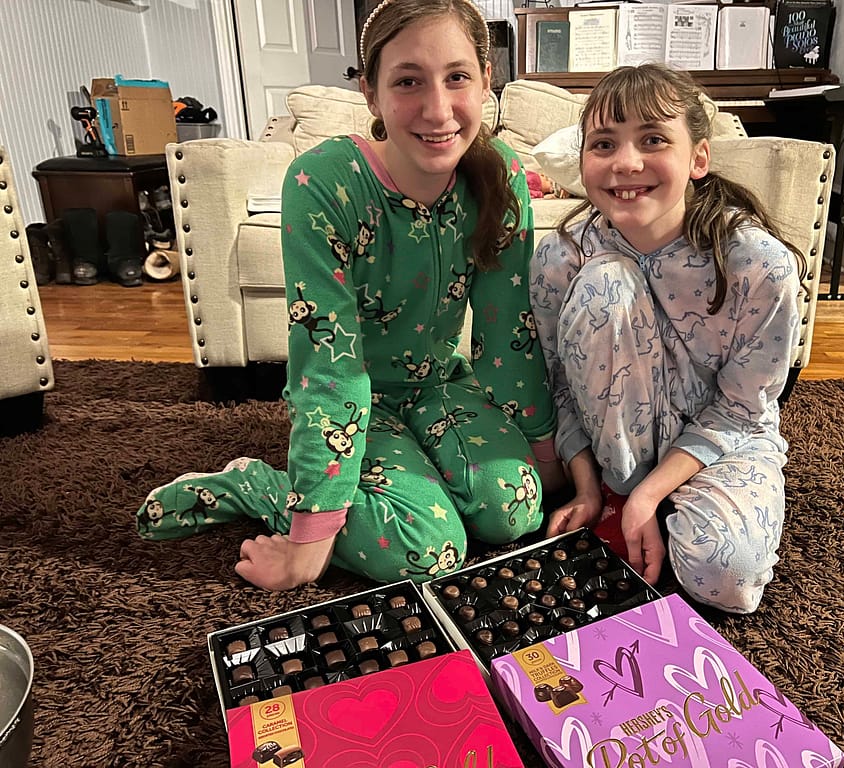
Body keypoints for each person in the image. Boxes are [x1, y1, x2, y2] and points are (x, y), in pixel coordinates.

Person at [137, 0, 562, 590]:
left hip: (442, 385)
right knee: (426, 549)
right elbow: (329, 362)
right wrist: (309, 537)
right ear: (370, 91)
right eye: (408, 81)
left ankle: (420, 468)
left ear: (486, 82)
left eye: (457, 77)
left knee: (513, 508)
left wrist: (545, 452)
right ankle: (259, 485)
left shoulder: (502, 175)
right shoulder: (324, 181)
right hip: (353, 400)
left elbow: (508, 330)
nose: (438, 110)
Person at [529, 64, 807, 614]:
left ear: (698, 157)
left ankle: (643, 502)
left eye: (653, 139)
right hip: (610, 448)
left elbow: (742, 408)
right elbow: (556, 381)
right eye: (603, 144)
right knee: (607, 283)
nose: (626, 163)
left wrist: (650, 494)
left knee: (728, 580)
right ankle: (618, 492)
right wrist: (587, 488)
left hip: (721, 442)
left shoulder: (759, 265)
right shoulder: (562, 256)